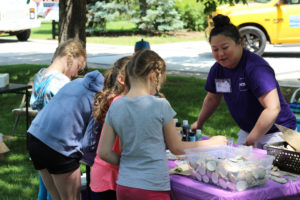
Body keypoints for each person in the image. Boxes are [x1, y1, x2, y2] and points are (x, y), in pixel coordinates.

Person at [98, 49, 227, 200]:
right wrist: (212, 143)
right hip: (151, 187)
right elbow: (177, 148)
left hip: (124, 185)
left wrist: (129, 164)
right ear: (152, 76)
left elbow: (104, 152)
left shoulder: (116, 106)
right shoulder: (160, 105)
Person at [191, 14, 297, 149]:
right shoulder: (218, 70)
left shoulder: (255, 68)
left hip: (280, 133)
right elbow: (213, 98)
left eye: (225, 48)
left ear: (239, 42)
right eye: (215, 49)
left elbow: (272, 108)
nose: (220, 54)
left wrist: (253, 138)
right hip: (249, 132)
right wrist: (199, 123)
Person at [27, 70, 105, 200]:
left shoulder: (77, 82)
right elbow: (89, 143)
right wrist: (95, 163)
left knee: (56, 197)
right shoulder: (100, 98)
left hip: (35, 136)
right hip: (59, 146)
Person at [30, 39, 86, 200]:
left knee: (44, 190)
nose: (76, 73)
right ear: (69, 57)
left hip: (37, 138)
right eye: (77, 66)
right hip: (55, 144)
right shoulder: (60, 83)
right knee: (56, 194)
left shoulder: (41, 75)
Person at [90, 56, 131, 200]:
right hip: (110, 178)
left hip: (103, 175)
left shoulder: (117, 100)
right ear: (122, 79)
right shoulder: (121, 104)